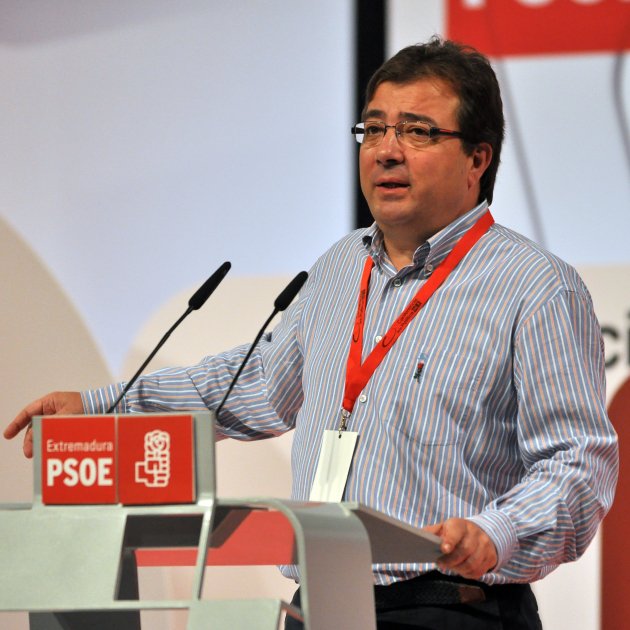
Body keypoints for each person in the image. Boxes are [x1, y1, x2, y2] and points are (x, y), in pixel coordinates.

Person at [4, 37, 618, 630]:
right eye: (373, 129)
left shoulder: (536, 288)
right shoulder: (340, 267)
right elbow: (254, 385)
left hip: (449, 608)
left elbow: (577, 465)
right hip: (319, 605)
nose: (386, 151)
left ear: (477, 159)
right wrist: (100, 407)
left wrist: (495, 532)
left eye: (417, 132)